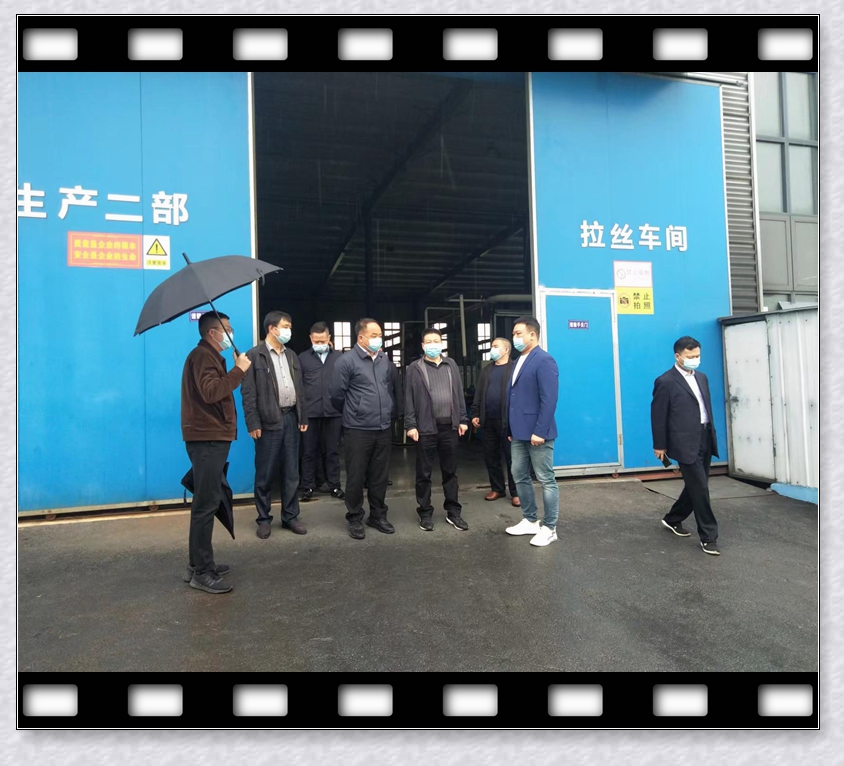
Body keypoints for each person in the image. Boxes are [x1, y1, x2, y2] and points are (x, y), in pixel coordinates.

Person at [181, 311, 251, 594]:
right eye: (227, 329)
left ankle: (197, 564)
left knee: (205, 501)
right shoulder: (202, 357)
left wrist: (233, 369)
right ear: (213, 332)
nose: (230, 333)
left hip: (211, 438)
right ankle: (202, 572)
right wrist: (239, 371)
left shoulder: (209, 357)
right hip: (207, 438)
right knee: (206, 504)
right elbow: (211, 392)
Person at [241, 311, 309, 540]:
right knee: (265, 473)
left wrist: (303, 417)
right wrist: (253, 422)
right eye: (285, 326)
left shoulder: (291, 355)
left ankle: (290, 516)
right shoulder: (254, 356)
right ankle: (263, 519)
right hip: (268, 422)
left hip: (291, 418)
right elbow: (248, 393)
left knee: (291, 472)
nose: (289, 330)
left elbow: (300, 389)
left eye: (289, 326)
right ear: (272, 328)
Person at [651, 336, 721, 555]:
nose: (695, 359)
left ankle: (673, 518)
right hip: (684, 442)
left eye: (698, 355)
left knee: (696, 485)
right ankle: (709, 537)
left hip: (705, 436)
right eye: (690, 356)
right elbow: (658, 415)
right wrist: (660, 445)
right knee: (700, 488)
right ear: (678, 356)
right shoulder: (665, 381)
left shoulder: (702, 377)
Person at [331, 318, 397, 539]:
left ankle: (377, 516)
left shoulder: (384, 359)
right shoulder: (346, 361)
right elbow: (336, 395)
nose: (379, 339)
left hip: (383, 426)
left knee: (380, 476)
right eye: (374, 335)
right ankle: (355, 518)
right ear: (361, 338)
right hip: (357, 429)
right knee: (356, 476)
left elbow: (388, 387)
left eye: (380, 335)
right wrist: (356, 411)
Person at [405, 328, 470, 532]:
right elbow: (408, 397)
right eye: (429, 341)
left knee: (450, 472)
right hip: (425, 428)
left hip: (449, 427)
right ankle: (425, 512)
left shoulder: (451, 365)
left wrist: (462, 419)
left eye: (436, 341)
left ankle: (453, 512)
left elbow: (458, 393)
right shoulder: (415, 368)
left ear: (441, 343)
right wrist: (410, 425)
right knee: (424, 473)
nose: (433, 344)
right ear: (423, 346)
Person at [504, 316, 560, 547]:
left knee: (546, 479)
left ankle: (550, 527)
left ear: (532, 335)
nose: (515, 338)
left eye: (518, 333)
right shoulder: (519, 360)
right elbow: (514, 397)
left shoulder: (544, 360)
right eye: (513, 334)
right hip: (518, 432)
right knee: (519, 474)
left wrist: (540, 430)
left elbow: (549, 399)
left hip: (538, 433)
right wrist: (510, 428)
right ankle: (530, 520)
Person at [298, 321, 345, 502]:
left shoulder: (339, 358)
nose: (320, 343)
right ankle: (308, 486)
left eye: (323, 340)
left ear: (329, 338)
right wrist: (301, 414)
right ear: (310, 339)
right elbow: (299, 387)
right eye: (316, 341)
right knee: (309, 451)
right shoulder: (302, 358)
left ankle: (334, 485)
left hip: (334, 412)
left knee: (333, 451)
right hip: (310, 413)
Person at [471, 337, 520, 508]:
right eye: (492, 346)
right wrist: (475, 413)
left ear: (506, 350)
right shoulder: (486, 370)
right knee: (491, 456)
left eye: (495, 346)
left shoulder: (515, 368)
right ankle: (497, 488)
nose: (492, 349)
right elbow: (479, 393)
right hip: (488, 420)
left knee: (512, 458)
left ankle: (516, 492)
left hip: (508, 422)